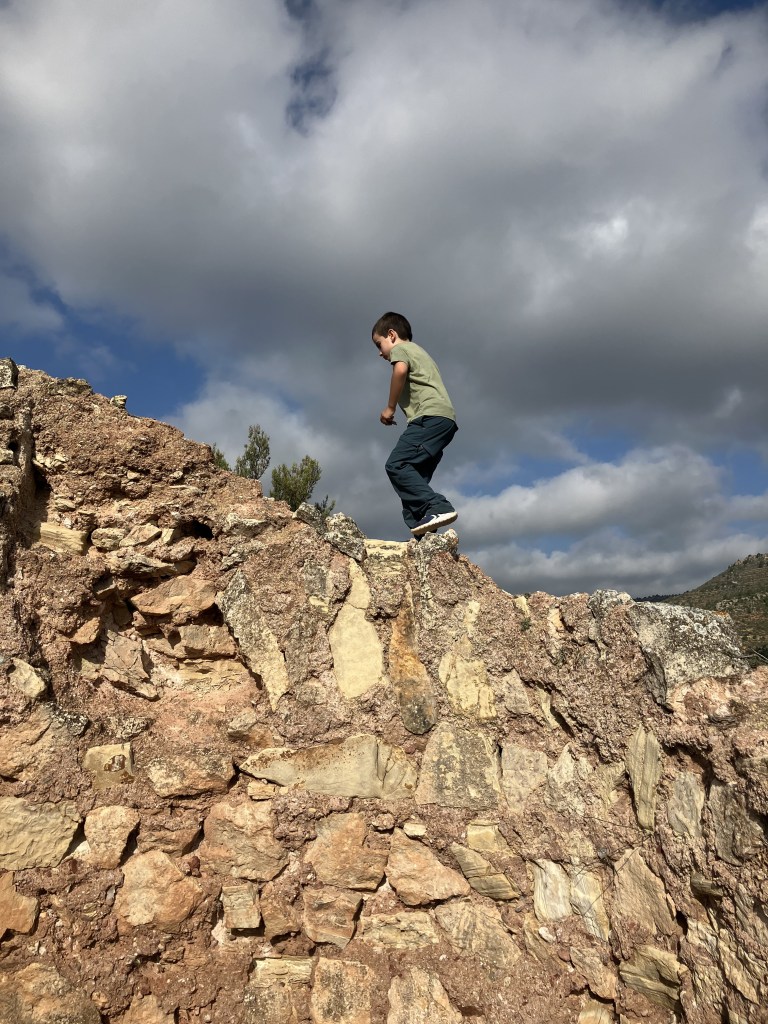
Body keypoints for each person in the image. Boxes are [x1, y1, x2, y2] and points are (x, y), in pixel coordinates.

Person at [371, 311, 458, 537]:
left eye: (379, 345)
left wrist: (390, 408)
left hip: (428, 419)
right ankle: (421, 532)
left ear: (391, 335)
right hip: (444, 422)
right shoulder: (422, 354)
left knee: (397, 465)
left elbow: (400, 370)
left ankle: (439, 506)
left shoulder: (403, 349)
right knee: (412, 480)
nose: (380, 353)